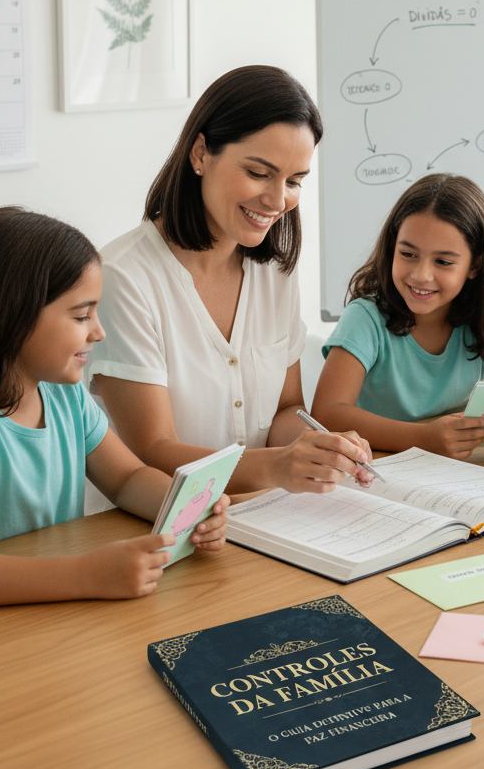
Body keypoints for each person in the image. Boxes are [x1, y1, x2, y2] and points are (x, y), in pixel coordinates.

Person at [0, 208, 230, 608]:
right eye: (81, 315)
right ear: (10, 317)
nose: (99, 331)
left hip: (48, 617)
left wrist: (190, 509)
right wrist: (86, 574)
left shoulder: (64, 397)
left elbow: (127, 479)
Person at [88, 66, 373, 497]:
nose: (278, 200)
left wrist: (313, 447)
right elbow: (150, 451)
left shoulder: (277, 271)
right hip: (150, 529)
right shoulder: (123, 277)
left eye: (294, 181)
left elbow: (285, 409)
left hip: (256, 516)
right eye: (259, 173)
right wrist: (276, 466)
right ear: (201, 153)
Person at [312, 173, 484, 458]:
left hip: (454, 476)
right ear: (392, 250)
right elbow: (327, 415)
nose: (421, 275)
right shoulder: (365, 319)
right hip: (378, 470)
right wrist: (422, 438)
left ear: (474, 267)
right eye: (408, 254)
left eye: (443, 262)